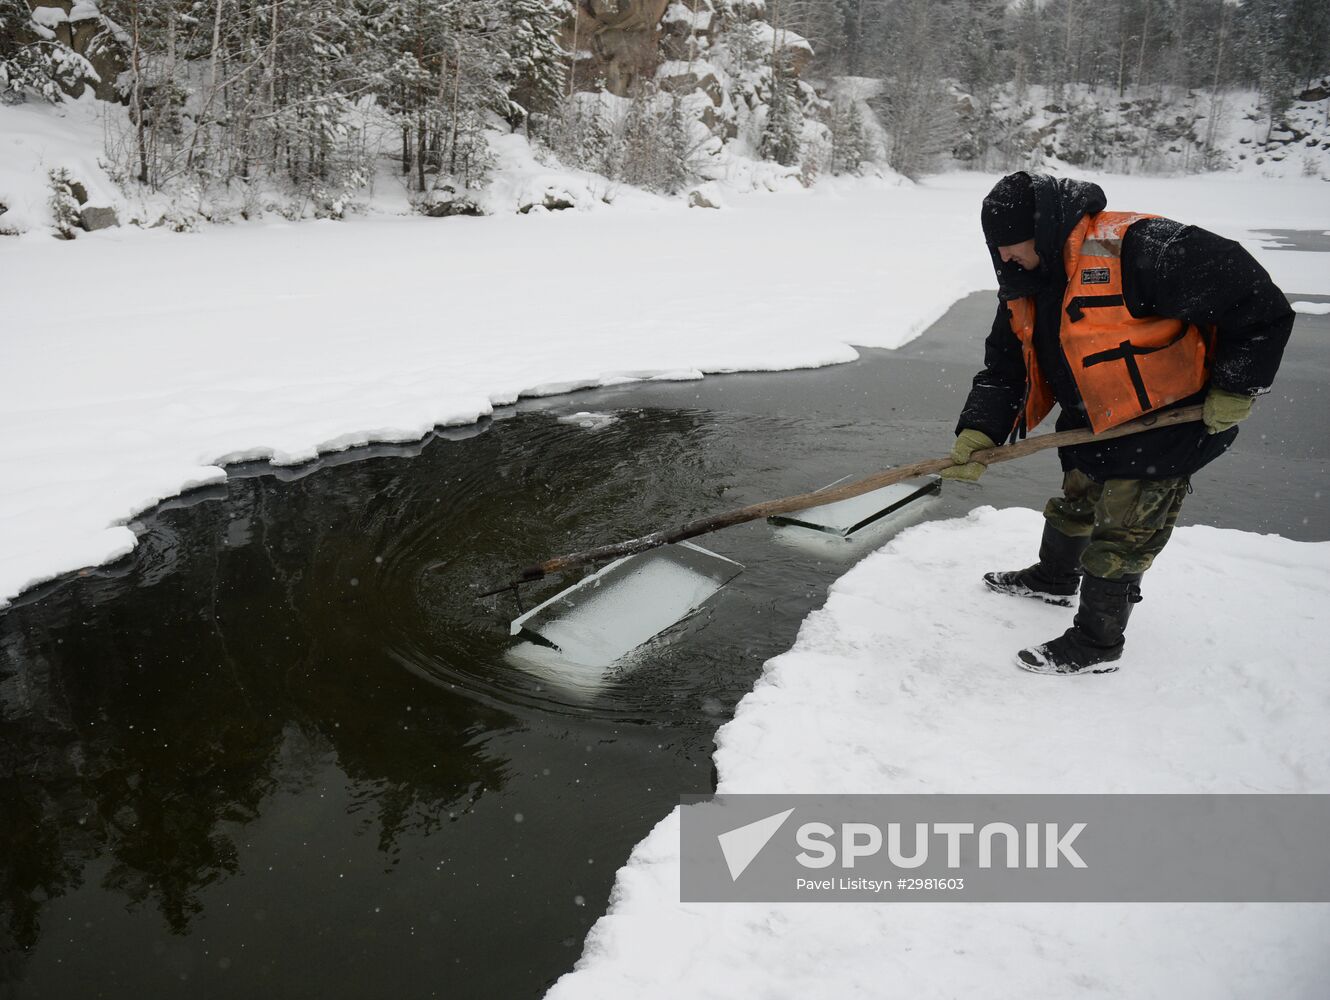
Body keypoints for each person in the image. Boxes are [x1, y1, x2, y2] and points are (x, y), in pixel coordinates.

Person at [943, 171, 1293, 676]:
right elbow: (1006, 366)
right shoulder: (1027, 281)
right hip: (1092, 419)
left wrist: (1238, 386)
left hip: (1164, 421)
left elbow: (1258, 303)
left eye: (1010, 245)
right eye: (994, 247)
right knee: (1078, 501)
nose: (1002, 257)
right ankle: (1055, 578)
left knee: (1124, 534)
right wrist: (980, 431)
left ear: (1040, 233)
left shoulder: (1143, 247)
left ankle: (1096, 645)